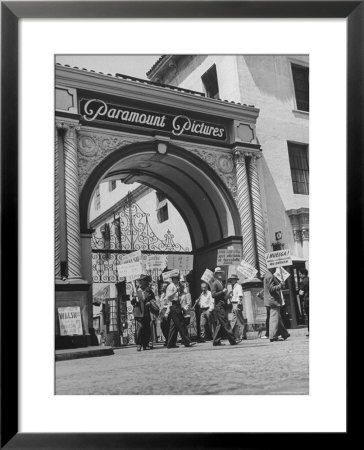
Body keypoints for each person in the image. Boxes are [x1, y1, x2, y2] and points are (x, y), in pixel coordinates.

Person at [211, 267, 240, 346]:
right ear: (216, 275)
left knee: (220, 324)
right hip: (219, 306)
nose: (220, 274)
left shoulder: (221, 283)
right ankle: (232, 340)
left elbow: (223, 297)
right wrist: (222, 291)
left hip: (222, 305)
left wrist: (228, 294)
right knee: (226, 323)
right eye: (218, 273)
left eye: (221, 273)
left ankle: (216, 341)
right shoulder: (215, 283)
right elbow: (213, 295)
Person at [166, 273, 196, 348]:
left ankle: (170, 343)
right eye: (176, 278)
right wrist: (176, 291)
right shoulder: (171, 286)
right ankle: (187, 341)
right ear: (173, 279)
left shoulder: (176, 286)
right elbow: (168, 297)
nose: (178, 280)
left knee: (174, 326)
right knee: (181, 324)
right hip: (174, 305)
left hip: (177, 305)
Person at [263, 269, 290, 342]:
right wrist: (280, 285)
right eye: (274, 267)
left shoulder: (267, 275)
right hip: (273, 301)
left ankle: (284, 334)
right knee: (274, 318)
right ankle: (272, 336)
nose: (275, 269)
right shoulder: (270, 276)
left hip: (270, 301)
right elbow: (271, 289)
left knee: (277, 317)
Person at [131, 274, 154, 351]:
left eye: (143, 281)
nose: (141, 282)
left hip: (146, 312)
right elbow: (132, 302)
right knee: (140, 328)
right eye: (140, 281)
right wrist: (134, 297)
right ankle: (139, 344)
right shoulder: (136, 290)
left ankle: (146, 344)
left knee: (147, 328)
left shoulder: (149, 291)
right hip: (139, 312)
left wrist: (150, 303)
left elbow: (153, 299)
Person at [228, 274, 247, 340]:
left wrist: (239, 302)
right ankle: (232, 334)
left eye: (233, 279)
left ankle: (242, 335)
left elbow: (240, 295)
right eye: (231, 279)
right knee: (233, 320)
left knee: (240, 320)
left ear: (236, 280)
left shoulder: (238, 286)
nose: (232, 281)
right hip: (234, 304)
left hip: (237, 304)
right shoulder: (234, 287)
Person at [299, 268, 309, 337]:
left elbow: (301, 293)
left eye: (300, 274)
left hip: (307, 301)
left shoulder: (303, 282)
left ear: (303, 274)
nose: (299, 275)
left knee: (308, 316)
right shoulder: (309, 279)